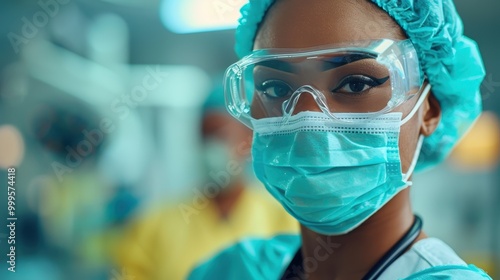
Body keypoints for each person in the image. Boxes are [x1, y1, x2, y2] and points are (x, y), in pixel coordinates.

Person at [188, 0, 492, 279]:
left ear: (429, 109)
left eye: (356, 84)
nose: (306, 123)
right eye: (276, 88)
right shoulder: (235, 271)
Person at [111, 88, 298, 280]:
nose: (210, 149)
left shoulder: (285, 219)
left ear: (249, 139)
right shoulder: (155, 224)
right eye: (204, 137)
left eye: (219, 136)